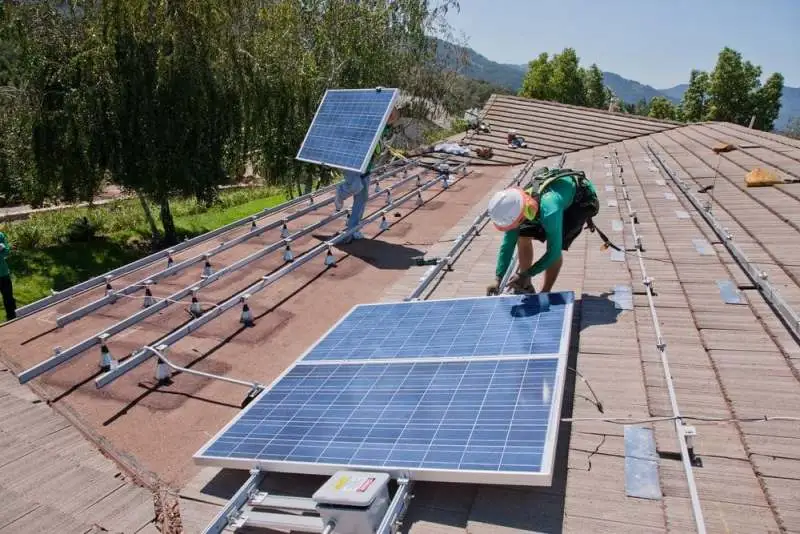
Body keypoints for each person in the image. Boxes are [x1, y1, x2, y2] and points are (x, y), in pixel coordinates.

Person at [486, 168, 599, 296]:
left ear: (521, 215)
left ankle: (545, 291)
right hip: (540, 204)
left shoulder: (550, 210)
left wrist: (527, 273)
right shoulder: (515, 207)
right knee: (522, 236)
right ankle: (526, 284)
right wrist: (498, 279)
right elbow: (507, 245)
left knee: (557, 246)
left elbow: (553, 252)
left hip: (575, 203)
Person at [334, 107, 400, 243]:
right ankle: (340, 192)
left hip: (366, 166)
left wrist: (390, 107)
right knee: (356, 186)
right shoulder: (362, 123)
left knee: (362, 198)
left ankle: (353, 228)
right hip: (350, 161)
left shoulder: (382, 127)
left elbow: (392, 119)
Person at [0, 231, 17, 320]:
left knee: (9, 299)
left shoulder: (0, 235)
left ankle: (13, 319)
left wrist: (2, 249)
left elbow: (6, 252)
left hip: (3, 273)